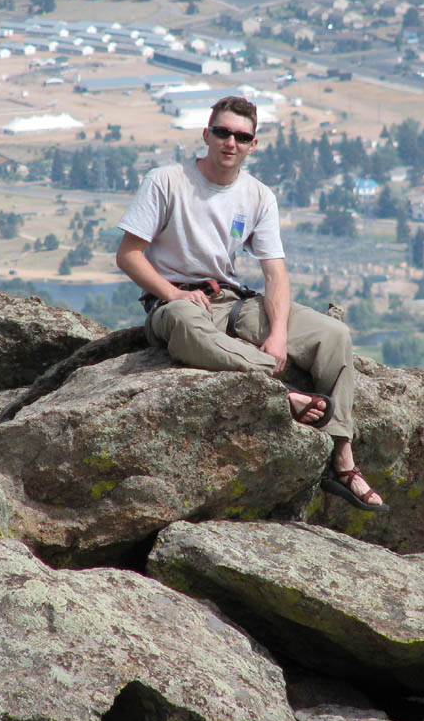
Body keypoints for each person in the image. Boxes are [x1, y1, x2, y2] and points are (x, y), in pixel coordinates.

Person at [115, 96, 387, 511]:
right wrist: (174, 294)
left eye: (242, 137)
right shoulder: (167, 180)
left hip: (232, 300)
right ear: (206, 134)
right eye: (222, 132)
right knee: (189, 328)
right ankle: (283, 395)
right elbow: (129, 254)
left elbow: (275, 273)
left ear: (253, 145)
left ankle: (342, 459)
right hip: (172, 302)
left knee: (333, 335)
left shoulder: (258, 196)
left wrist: (277, 336)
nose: (230, 143)